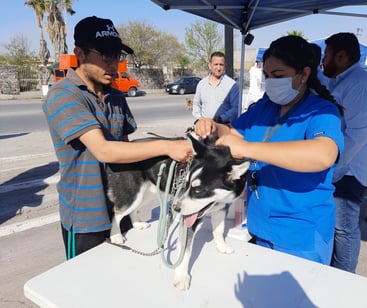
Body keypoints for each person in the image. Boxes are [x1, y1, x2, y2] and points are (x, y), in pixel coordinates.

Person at [43, 16, 193, 259]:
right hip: (86, 217)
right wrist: (167, 146)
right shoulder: (64, 96)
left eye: (118, 56)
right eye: (105, 55)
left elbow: (126, 151)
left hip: (122, 205)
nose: (113, 64)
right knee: (85, 286)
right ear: (79, 53)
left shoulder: (115, 95)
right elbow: (104, 150)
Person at [195, 35, 344, 265]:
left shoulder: (322, 112)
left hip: (301, 232)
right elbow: (234, 134)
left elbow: (323, 154)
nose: (270, 82)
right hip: (261, 224)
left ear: (303, 74)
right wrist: (214, 127)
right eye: (266, 75)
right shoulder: (266, 107)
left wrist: (249, 148)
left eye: (278, 76)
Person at [321, 32, 367, 273]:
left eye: (327, 56)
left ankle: (345, 279)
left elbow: (354, 139)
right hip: (338, 167)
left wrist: (328, 170)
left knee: (344, 228)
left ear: (342, 56)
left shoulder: (361, 86)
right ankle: (333, 272)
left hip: (349, 170)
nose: (323, 61)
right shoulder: (339, 80)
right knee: (334, 225)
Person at [192, 51, 239, 124]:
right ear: (210, 65)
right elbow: (196, 104)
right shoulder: (202, 84)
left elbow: (236, 108)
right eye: (216, 64)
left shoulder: (232, 85)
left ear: (225, 66)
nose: (218, 68)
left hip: (224, 127)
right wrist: (200, 119)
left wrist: (221, 118)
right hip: (205, 127)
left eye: (221, 65)